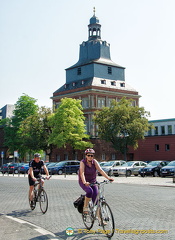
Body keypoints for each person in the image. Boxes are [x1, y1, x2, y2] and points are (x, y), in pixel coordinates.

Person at [79, 148, 114, 214]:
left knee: (96, 199)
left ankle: (100, 220)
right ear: (86, 156)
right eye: (88, 155)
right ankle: (85, 206)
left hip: (93, 181)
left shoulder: (94, 162)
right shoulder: (83, 162)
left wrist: (108, 178)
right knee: (89, 191)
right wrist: (84, 182)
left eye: (91, 155)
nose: (90, 157)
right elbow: (82, 173)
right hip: (84, 181)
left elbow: (100, 170)